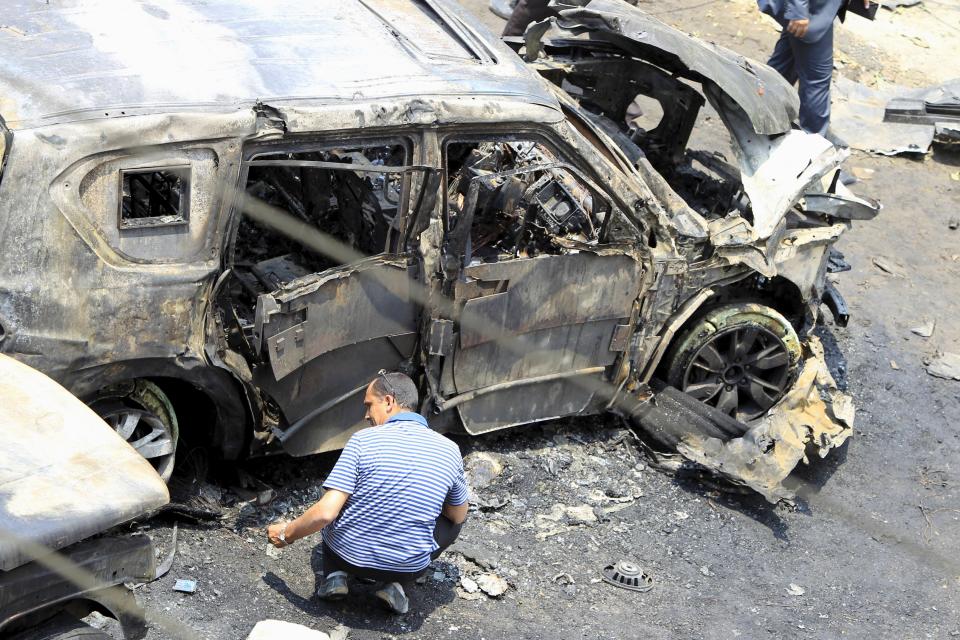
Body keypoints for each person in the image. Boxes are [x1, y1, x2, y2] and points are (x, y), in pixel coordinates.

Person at [266, 371, 469, 614]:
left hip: (348, 556)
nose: (365, 415)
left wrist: (286, 534)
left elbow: (325, 514)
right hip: (408, 566)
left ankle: (335, 576)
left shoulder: (362, 441)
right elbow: (457, 516)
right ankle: (398, 585)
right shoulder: (450, 450)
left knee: (337, 498)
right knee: (454, 520)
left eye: (369, 405)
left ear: (389, 402)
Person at [758, 0, 868, 137]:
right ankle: (812, 145)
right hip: (808, 10)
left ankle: (758, 121)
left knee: (785, 64)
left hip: (811, 9)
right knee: (817, 79)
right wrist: (798, 11)